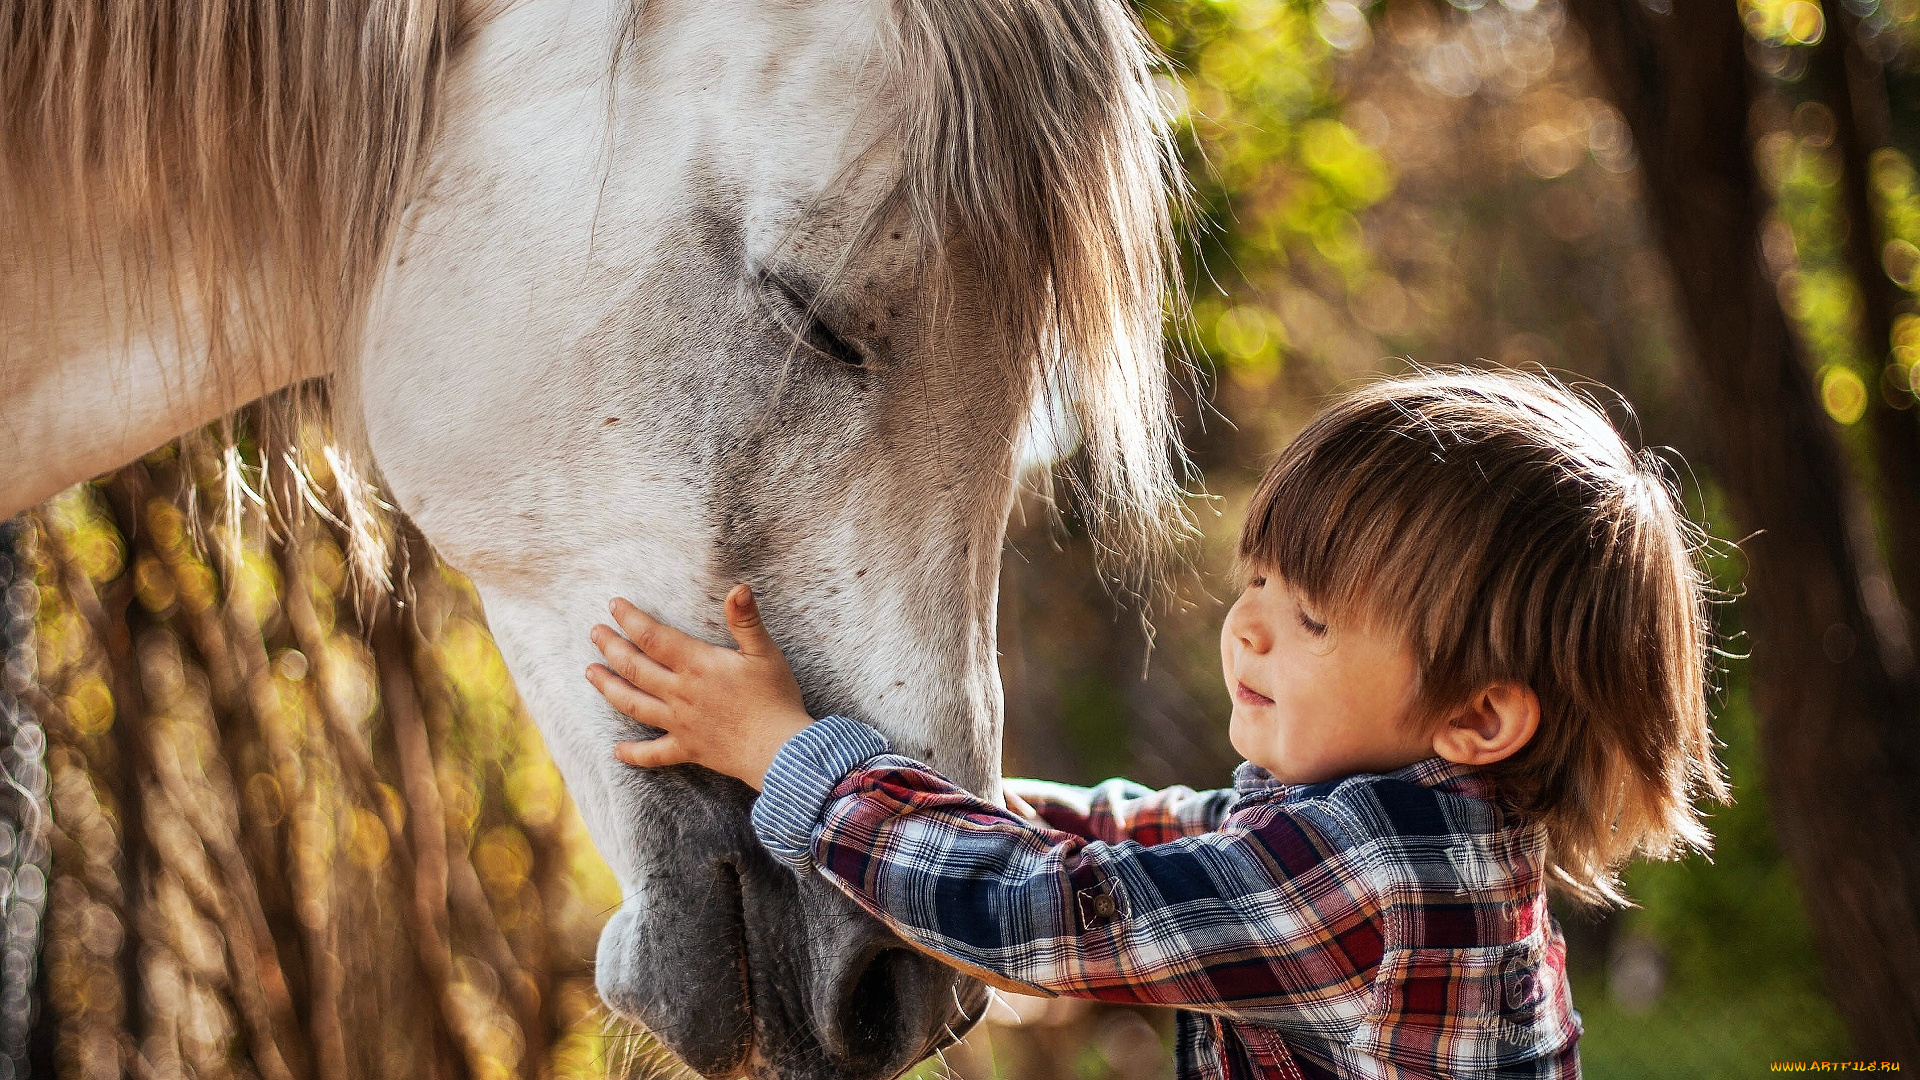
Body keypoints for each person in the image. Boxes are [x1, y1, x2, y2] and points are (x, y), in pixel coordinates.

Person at [583, 368, 1728, 1079]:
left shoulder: (1374, 875)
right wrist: (973, 791)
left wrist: (795, 765)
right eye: (1261, 580)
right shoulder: (1412, 827)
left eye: (1313, 614)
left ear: (1480, 716)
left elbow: (1061, 915)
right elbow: (1176, 840)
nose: (1250, 628)